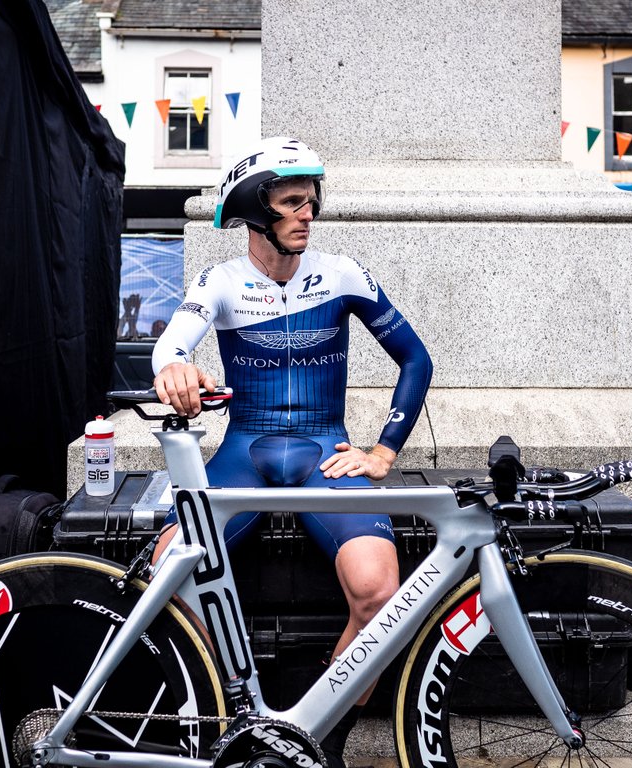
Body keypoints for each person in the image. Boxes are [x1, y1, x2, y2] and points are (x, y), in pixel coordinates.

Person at [151, 136, 432, 767]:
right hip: (242, 453)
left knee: (379, 595)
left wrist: (383, 452)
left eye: (312, 201)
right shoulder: (221, 281)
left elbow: (416, 359)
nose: (309, 214)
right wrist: (175, 372)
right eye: (292, 203)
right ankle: (232, 722)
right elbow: (169, 348)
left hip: (324, 448)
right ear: (256, 210)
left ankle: (318, 737)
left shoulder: (342, 274)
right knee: (166, 577)